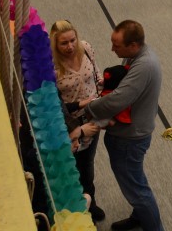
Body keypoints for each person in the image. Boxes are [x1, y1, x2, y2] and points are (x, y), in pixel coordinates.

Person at [79, 20, 163, 231]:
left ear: (133, 45)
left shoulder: (144, 66)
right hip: (132, 133)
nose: (112, 49)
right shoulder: (137, 56)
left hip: (129, 139)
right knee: (135, 180)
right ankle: (140, 216)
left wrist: (89, 108)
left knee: (136, 189)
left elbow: (118, 99)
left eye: (116, 45)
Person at [50, 20, 106, 222]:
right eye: (64, 43)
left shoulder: (86, 48)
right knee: (69, 168)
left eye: (72, 40)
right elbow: (55, 104)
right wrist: (82, 103)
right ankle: (75, 209)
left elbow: (95, 72)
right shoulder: (51, 66)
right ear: (55, 44)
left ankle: (91, 202)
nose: (70, 46)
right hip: (69, 125)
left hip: (92, 119)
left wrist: (101, 87)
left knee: (87, 165)